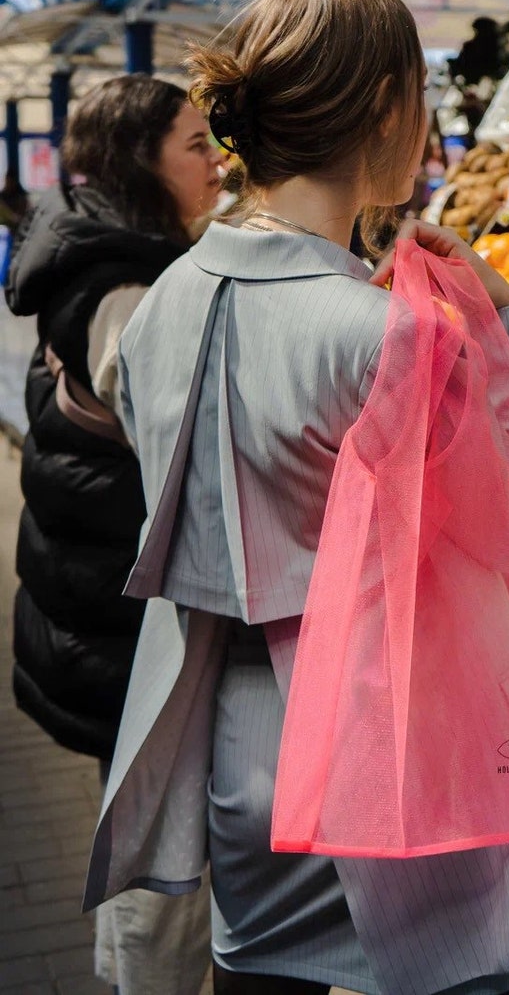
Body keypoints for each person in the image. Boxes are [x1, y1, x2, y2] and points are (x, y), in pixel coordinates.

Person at [84, 0, 509, 995]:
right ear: (390, 108)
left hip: (232, 743)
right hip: (382, 742)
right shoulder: (392, 335)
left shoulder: (156, 307)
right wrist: (506, 340)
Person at [5, 73, 224, 995]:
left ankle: (125, 970)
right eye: (198, 146)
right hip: (123, 634)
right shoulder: (127, 292)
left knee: (135, 837)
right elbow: (187, 457)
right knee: (159, 860)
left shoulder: (91, 257)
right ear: (143, 162)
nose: (218, 163)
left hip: (96, 614)